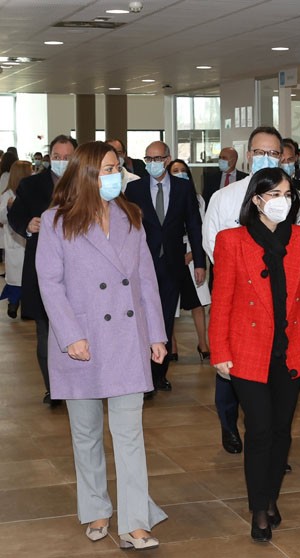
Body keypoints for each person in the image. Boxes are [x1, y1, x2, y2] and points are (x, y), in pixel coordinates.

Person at [35, 141, 168, 550]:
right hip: (83, 340)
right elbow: (50, 283)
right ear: (88, 173)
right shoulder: (57, 221)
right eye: (109, 168)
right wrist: (70, 335)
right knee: (87, 432)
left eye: (118, 167)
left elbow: (146, 279)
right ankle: (96, 508)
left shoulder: (132, 216)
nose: (117, 175)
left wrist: (157, 333)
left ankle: (135, 522)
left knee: (129, 434)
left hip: (127, 338)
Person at [209, 167, 300, 542]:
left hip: (290, 350)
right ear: (257, 200)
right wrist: (219, 350)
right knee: (259, 430)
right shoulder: (231, 241)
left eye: (288, 195)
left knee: (281, 431)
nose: (282, 201)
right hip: (247, 350)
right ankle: (259, 508)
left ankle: (271, 496)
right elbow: (221, 301)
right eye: (274, 194)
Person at [203, 126, 300, 454]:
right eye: (260, 152)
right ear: (249, 154)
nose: (267, 157)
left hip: (280, 309)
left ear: (282, 156)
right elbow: (213, 245)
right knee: (231, 379)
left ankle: (269, 450)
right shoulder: (225, 197)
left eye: (274, 153)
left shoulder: (297, 200)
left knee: (273, 406)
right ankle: (229, 427)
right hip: (241, 303)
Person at [124, 142, 206, 395]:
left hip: (172, 264)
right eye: (148, 159)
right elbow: (125, 226)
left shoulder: (183, 188)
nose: (153, 163)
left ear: (168, 159)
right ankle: (142, 375)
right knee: (142, 318)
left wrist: (200, 262)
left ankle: (159, 375)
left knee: (166, 319)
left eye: (158, 158)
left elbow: (194, 224)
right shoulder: (134, 188)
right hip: (141, 264)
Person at [8, 134, 77, 406]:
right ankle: (54, 388)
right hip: (43, 269)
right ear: (50, 157)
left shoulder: (86, 183)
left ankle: (80, 384)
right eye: (57, 157)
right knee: (46, 331)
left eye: (67, 157)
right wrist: (27, 225)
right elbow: (15, 216)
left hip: (80, 271)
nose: (62, 161)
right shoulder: (31, 185)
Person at [166, 159, 212, 363]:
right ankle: (172, 344)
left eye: (183, 170)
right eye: (175, 171)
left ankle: (203, 343)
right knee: (170, 303)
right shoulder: (164, 196)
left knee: (197, 303)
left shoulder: (198, 199)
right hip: (171, 254)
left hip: (191, 253)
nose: (180, 173)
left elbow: (200, 229)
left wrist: (194, 254)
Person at [0, 160, 32, 318]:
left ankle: (25, 308)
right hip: (14, 242)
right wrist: (8, 208)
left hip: (29, 241)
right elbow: (1, 217)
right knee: (16, 279)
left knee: (28, 279)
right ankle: (13, 304)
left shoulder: (31, 192)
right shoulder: (7, 195)